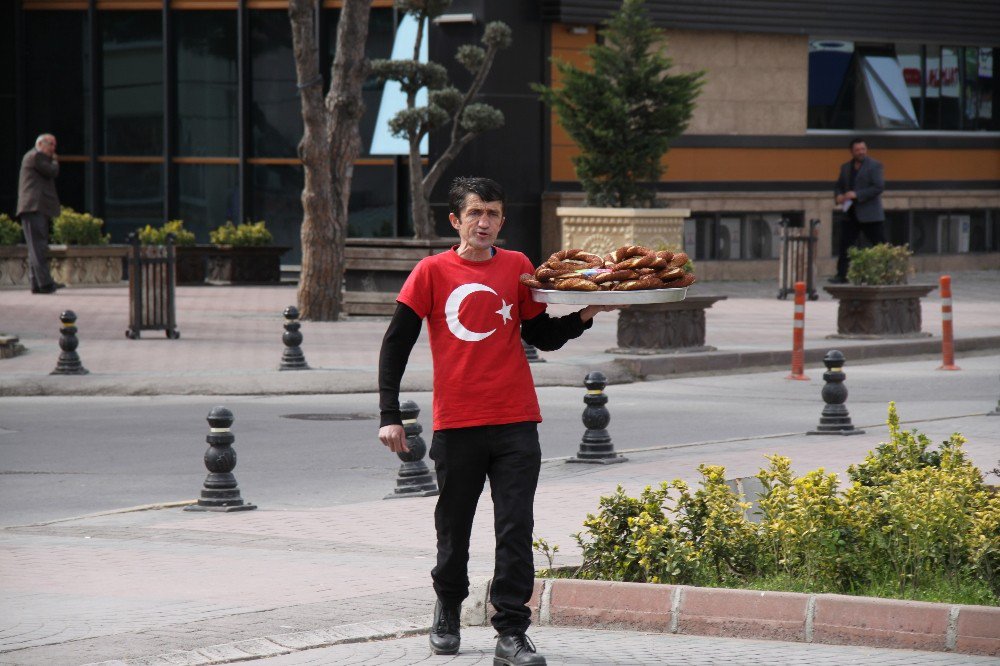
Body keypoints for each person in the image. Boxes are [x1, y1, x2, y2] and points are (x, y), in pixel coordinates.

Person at [377, 177, 616, 666]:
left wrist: (588, 311)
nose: (484, 222)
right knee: (454, 525)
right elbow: (395, 343)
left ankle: (511, 632)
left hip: (515, 420)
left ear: (503, 221)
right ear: (456, 220)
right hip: (458, 421)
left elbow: (542, 336)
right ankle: (447, 605)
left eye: (493, 214)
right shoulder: (430, 271)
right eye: (475, 213)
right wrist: (390, 415)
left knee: (514, 527)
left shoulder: (517, 266)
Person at [831, 137, 886, 283]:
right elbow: (839, 186)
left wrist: (857, 194)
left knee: (879, 244)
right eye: (857, 150)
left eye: (863, 149)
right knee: (845, 245)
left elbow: (878, 187)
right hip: (850, 213)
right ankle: (841, 274)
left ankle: (887, 273)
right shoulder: (845, 167)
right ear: (851, 152)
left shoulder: (874, 165)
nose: (861, 152)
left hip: (870, 214)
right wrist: (839, 196)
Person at [17, 133, 64, 294]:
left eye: (54, 145)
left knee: (34, 248)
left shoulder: (34, 156)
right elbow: (52, 171)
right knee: (39, 247)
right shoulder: (36, 156)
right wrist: (56, 161)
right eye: (51, 144)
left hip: (33, 208)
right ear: (40, 143)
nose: (53, 149)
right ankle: (45, 284)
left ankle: (36, 283)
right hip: (33, 207)